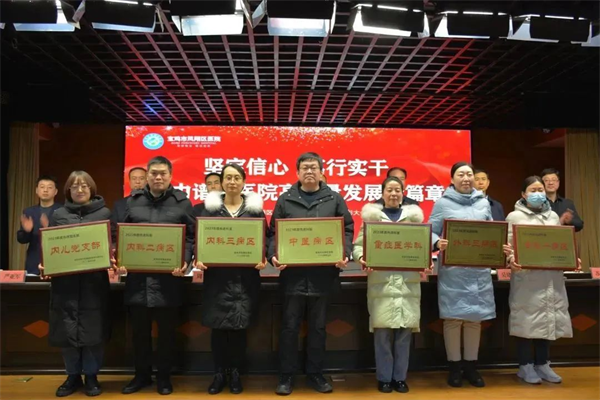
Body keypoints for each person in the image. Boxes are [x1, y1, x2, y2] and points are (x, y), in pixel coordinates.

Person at [269, 152, 354, 395]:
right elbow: (273, 233)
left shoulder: (334, 199)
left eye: (313, 167)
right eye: (305, 167)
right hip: (293, 276)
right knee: (289, 328)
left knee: (318, 328)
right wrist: (273, 255)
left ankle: (315, 373)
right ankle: (286, 375)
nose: (309, 171)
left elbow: (347, 229)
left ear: (321, 172)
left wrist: (345, 252)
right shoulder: (285, 200)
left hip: (323, 276)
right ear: (297, 172)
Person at [119, 156, 196, 396]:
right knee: (139, 334)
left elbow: (191, 237)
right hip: (138, 280)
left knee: (167, 334)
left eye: (163, 173)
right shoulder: (132, 202)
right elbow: (121, 235)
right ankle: (141, 376)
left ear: (170, 176)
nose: (158, 177)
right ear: (147, 176)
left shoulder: (182, 203)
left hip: (168, 281)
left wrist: (184, 260)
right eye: (154, 173)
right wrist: (120, 258)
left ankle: (164, 377)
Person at [195, 163, 266, 395]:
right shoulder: (209, 210)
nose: (232, 182)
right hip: (217, 279)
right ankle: (218, 374)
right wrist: (198, 257)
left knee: (239, 329)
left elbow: (265, 239)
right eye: (228, 178)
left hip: (245, 280)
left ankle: (235, 373)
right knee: (217, 329)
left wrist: (262, 257)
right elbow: (199, 239)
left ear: (244, 182)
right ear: (222, 182)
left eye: (237, 177)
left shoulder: (254, 211)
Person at [39, 171, 113, 397]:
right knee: (67, 331)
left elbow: (113, 244)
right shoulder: (59, 214)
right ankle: (72, 376)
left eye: (84, 186)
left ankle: (91, 376)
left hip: (94, 285)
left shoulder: (104, 214)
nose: (79, 190)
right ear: (68, 191)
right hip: (65, 285)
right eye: (74, 186)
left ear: (92, 189)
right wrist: (46, 264)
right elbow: (50, 245)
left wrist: (113, 255)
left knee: (93, 332)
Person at [352, 176, 426, 394]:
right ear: (382, 193)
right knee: (382, 334)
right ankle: (384, 378)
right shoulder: (372, 219)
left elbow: (422, 247)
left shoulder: (414, 219)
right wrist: (362, 258)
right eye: (389, 190)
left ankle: (400, 378)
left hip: (408, 283)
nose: (393, 194)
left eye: (397, 190)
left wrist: (424, 260)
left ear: (403, 193)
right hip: (381, 283)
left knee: (404, 334)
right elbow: (358, 247)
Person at [504, 176, 577, 385]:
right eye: (533, 190)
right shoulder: (514, 217)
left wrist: (571, 258)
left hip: (551, 278)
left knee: (547, 319)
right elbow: (508, 247)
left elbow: (559, 245)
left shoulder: (553, 216)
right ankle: (525, 366)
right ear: (523, 194)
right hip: (527, 278)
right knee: (526, 321)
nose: (538, 193)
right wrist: (511, 260)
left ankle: (543, 364)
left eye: (540, 189)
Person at [428, 161, 494, 388]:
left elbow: (492, 230)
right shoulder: (442, 203)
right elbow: (431, 230)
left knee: (474, 319)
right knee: (453, 319)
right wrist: (437, 242)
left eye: (469, 174)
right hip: (453, 271)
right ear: (452, 179)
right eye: (461, 174)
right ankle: (454, 367)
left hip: (478, 270)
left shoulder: (483, 202)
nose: (466, 178)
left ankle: (471, 367)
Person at [17, 175, 62, 275]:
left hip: (57, 260)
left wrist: (48, 229)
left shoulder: (62, 211)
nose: (45, 190)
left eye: (49, 187)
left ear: (55, 192)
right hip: (34, 261)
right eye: (42, 187)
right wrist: (27, 231)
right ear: (37, 190)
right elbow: (22, 240)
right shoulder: (29, 212)